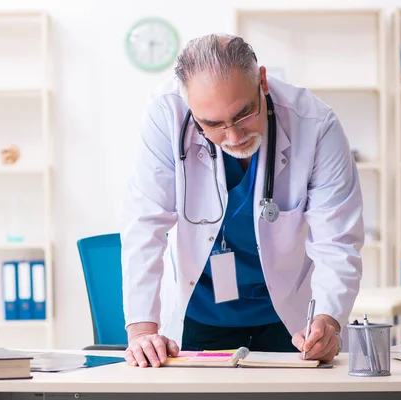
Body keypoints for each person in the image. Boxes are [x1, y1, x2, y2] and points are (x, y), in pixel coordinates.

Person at [119, 33, 364, 368]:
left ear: (261, 81)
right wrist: (142, 331)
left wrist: (328, 319)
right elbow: (144, 223)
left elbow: (337, 241)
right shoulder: (166, 115)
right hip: (203, 310)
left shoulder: (315, 124)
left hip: (291, 317)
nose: (233, 137)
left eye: (244, 113)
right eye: (212, 125)